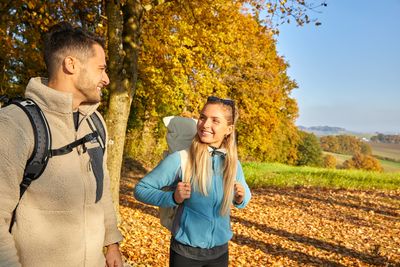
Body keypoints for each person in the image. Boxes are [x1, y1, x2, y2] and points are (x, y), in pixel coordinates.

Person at [0, 22, 123, 266]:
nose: (106, 79)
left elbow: (103, 185)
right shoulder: (15, 124)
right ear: (71, 65)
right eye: (101, 69)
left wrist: (112, 243)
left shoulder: (95, 122)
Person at [134, 96, 251, 267]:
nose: (205, 125)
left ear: (229, 129)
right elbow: (141, 189)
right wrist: (173, 198)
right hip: (185, 254)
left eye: (215, 121)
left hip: (220, 253)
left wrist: (240, 198)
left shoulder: (232, 163)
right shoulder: (181, 159)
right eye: (203, 117)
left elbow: (245, 196)